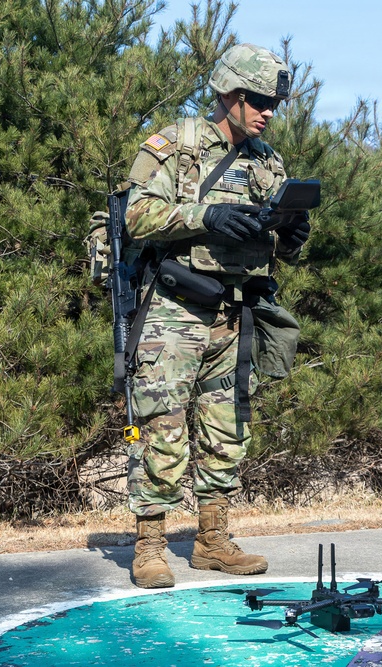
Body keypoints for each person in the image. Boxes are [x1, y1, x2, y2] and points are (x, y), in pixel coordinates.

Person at [122, 43, 311, 588]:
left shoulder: (267, 162)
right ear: (228, 94)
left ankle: (212, 540)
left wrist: (293, 234)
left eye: (273, 102)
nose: (267, 111)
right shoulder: (175, 145)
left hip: (235, 314)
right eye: (257, 100)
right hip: (174, 313)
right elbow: (136, 217)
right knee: (158, 428)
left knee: (227, 431)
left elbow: (280, 237)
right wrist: (207, 214)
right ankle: (151, 545)